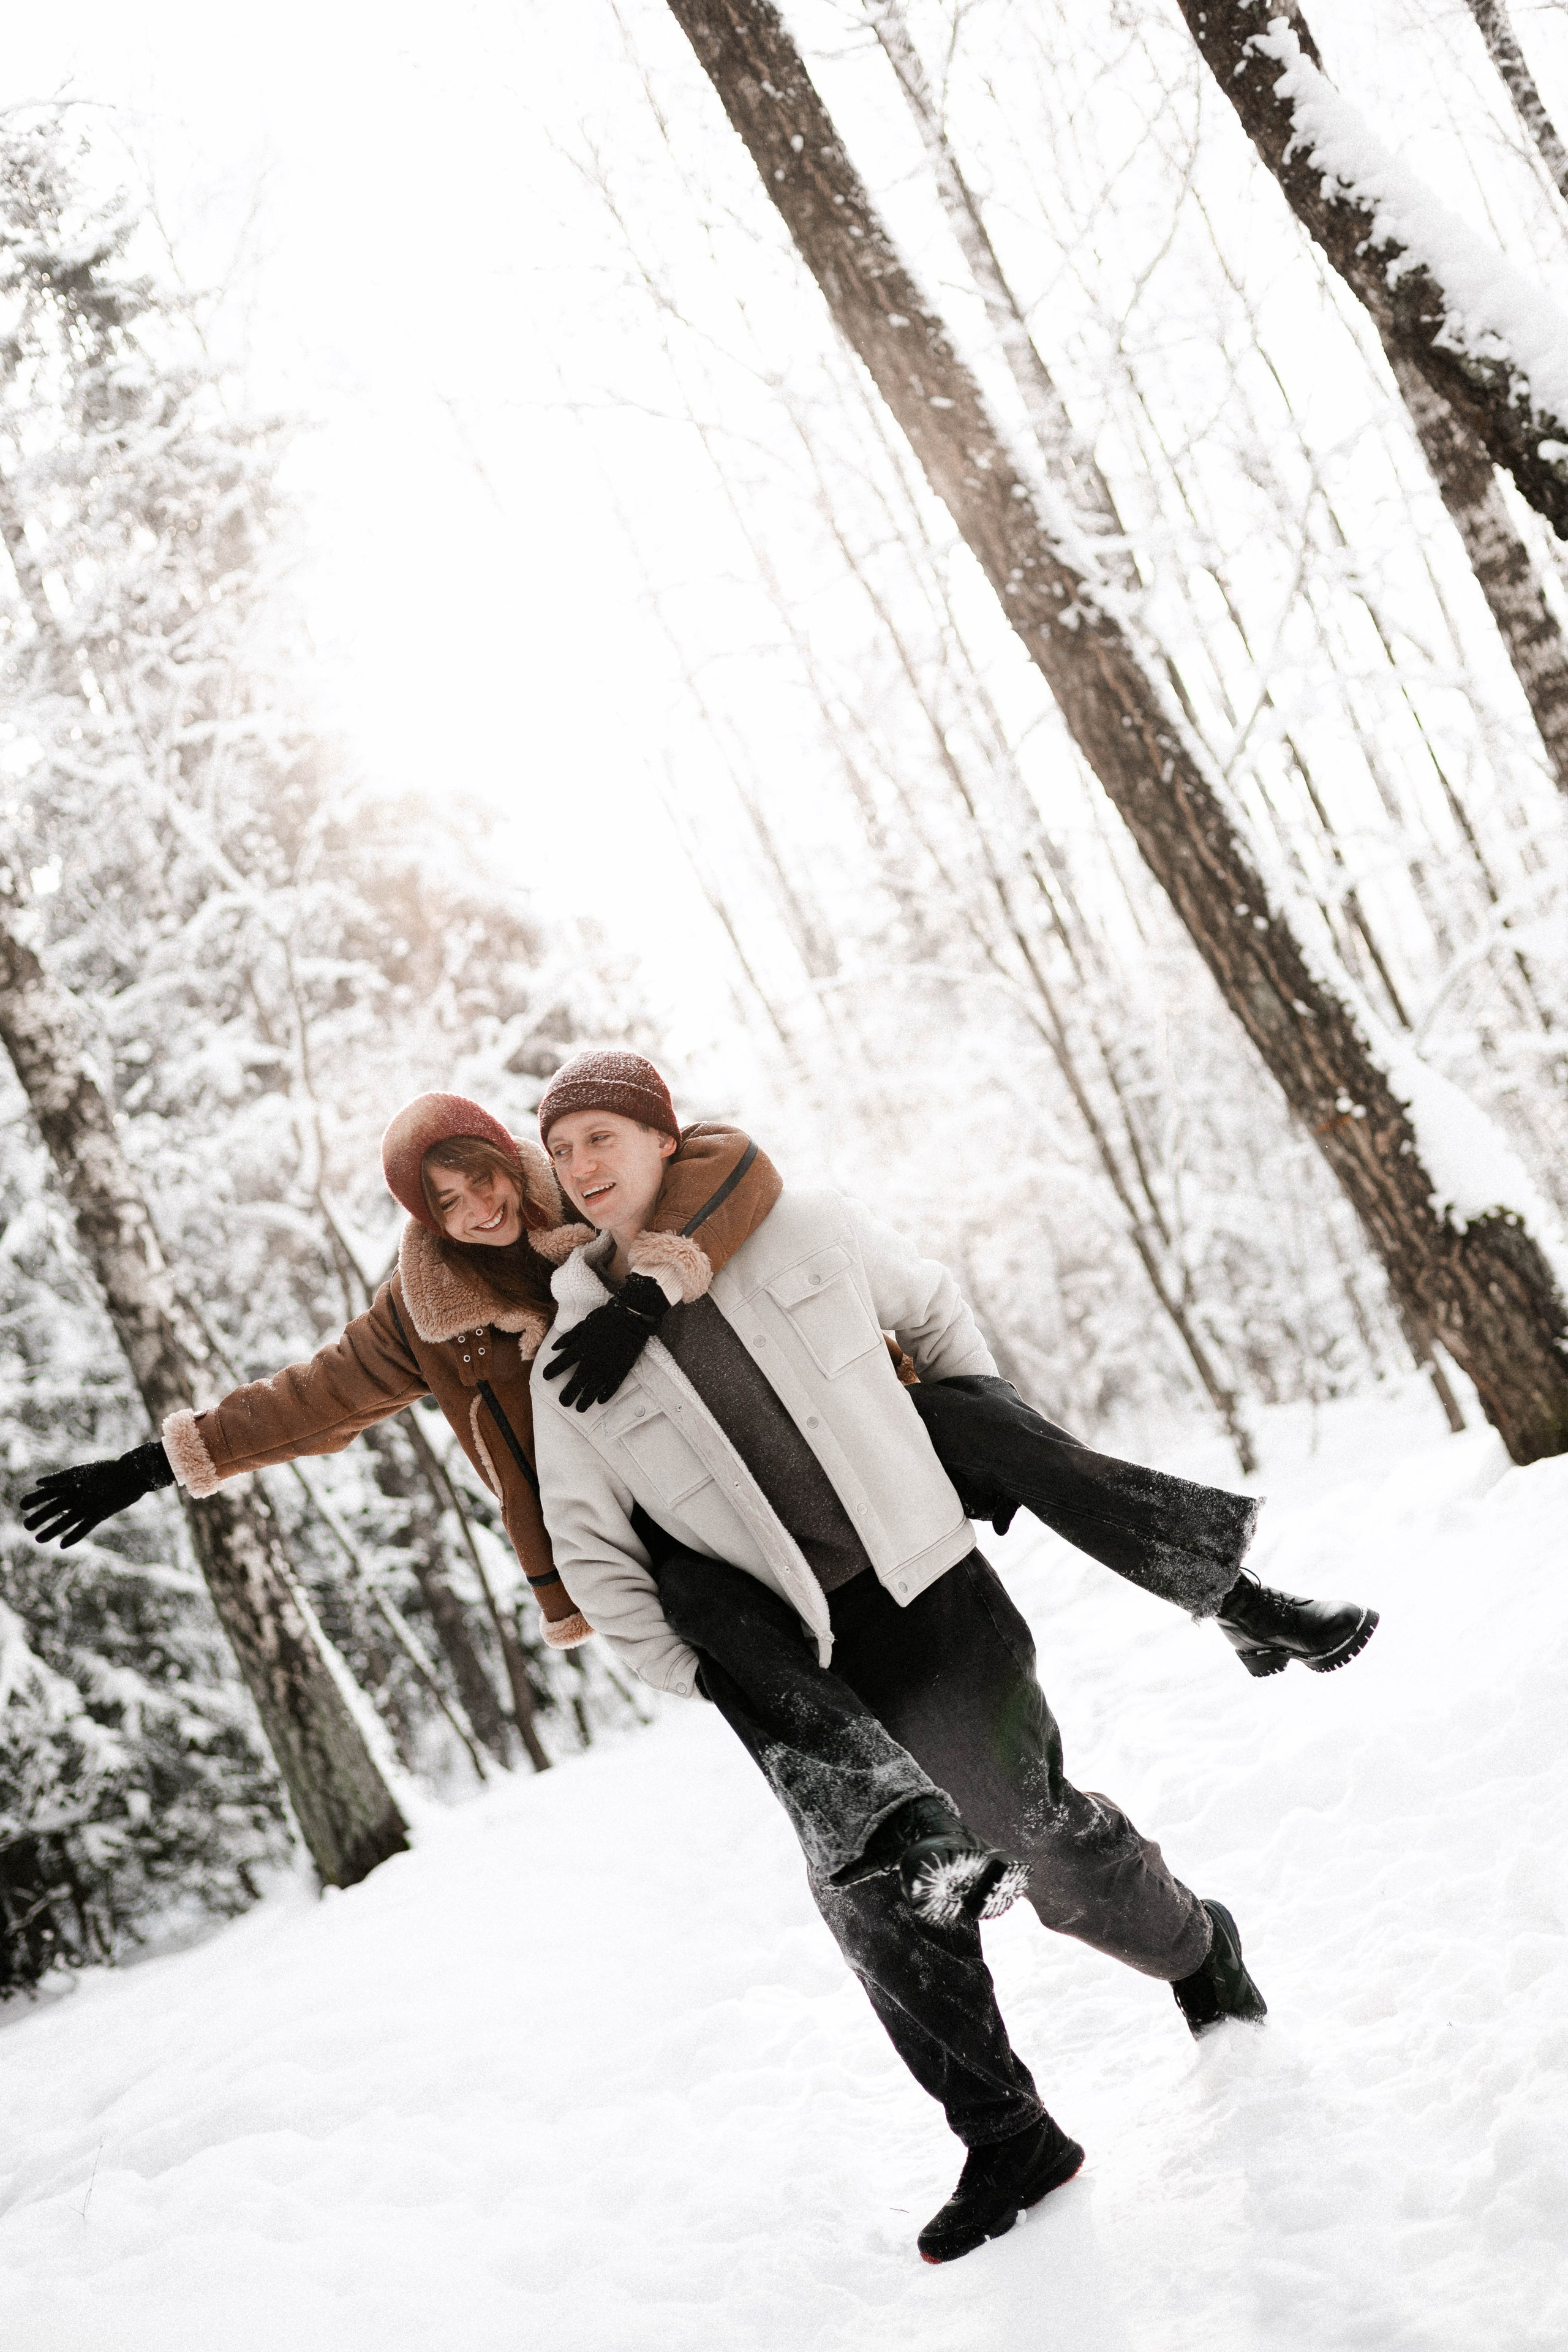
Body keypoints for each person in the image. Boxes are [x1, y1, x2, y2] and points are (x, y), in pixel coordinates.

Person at [528, 1052, 1278, 2265]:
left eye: (600, 1137)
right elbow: (591, 1550)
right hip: (794, 1662)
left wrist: (967, 1451)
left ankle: (1196, 1943)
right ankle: (1006, 2137)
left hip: (932, 1597)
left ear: (663, 1137)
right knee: (873, 1894)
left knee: (1030, 1833)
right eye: (560, 1152)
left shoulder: (801, 1228)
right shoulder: (570, 1355)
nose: (580, 1167)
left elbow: (930, 1312)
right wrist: (707, 1670)